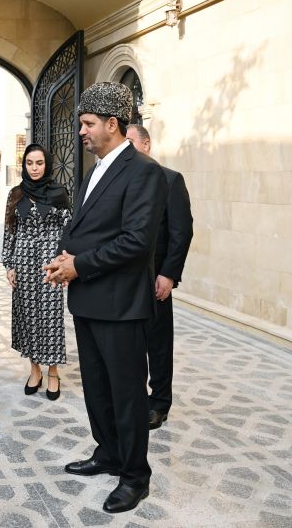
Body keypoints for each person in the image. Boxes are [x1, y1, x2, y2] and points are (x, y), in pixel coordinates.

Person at [44, 82, 166, 514]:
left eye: (88, 123)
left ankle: (135, 477)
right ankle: (108, 453)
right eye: (81, 123)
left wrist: (79, 265)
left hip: (120, 305)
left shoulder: (145, 172)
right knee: (97, 390)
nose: (81, 131)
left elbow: (136, 241)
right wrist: (64, 257)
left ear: (113, 125)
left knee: (127, 394)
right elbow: (85, 229)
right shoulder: (93, 170)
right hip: (88, 300)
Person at [125, 124, 193, 430]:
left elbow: (181, 233)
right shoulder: (123, 181)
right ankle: (135, 397)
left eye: (130, 143)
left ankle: (160, 402)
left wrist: (168, 274)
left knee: (159, 344)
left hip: (156, 280)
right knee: (131, 343)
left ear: (146, 145)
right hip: (126, 279)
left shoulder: (170, 179)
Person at [2, 143, 71, 400]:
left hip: (49, 263)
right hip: (23, 264)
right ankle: (34, 369)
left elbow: (68, 230)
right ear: (24, 165)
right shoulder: (16, 194)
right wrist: (9, 264)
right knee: (27, 317)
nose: (34, 168)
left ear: (47, 164)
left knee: (50, 317)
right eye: (29, 163)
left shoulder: (59, 193)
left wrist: (63, 263)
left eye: (39, 163)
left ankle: (52, 372)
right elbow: (9, 230)